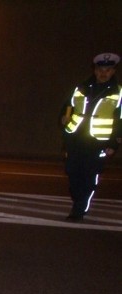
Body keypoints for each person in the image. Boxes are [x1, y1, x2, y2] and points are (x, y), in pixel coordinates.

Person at [60, 52, 121, 221]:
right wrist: (63, 119)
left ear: (113, 72)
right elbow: (67, 106)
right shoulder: (81, 88)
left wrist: (114, 144)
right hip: (76, 138)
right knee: (72, 173)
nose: (103, 73)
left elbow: (119, 121)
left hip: (98, 141)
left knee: (89, 176)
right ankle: (78, 199)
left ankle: (79, 210)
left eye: (108, 70)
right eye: (101, 69)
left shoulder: (118, 93)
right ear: (95, 70)